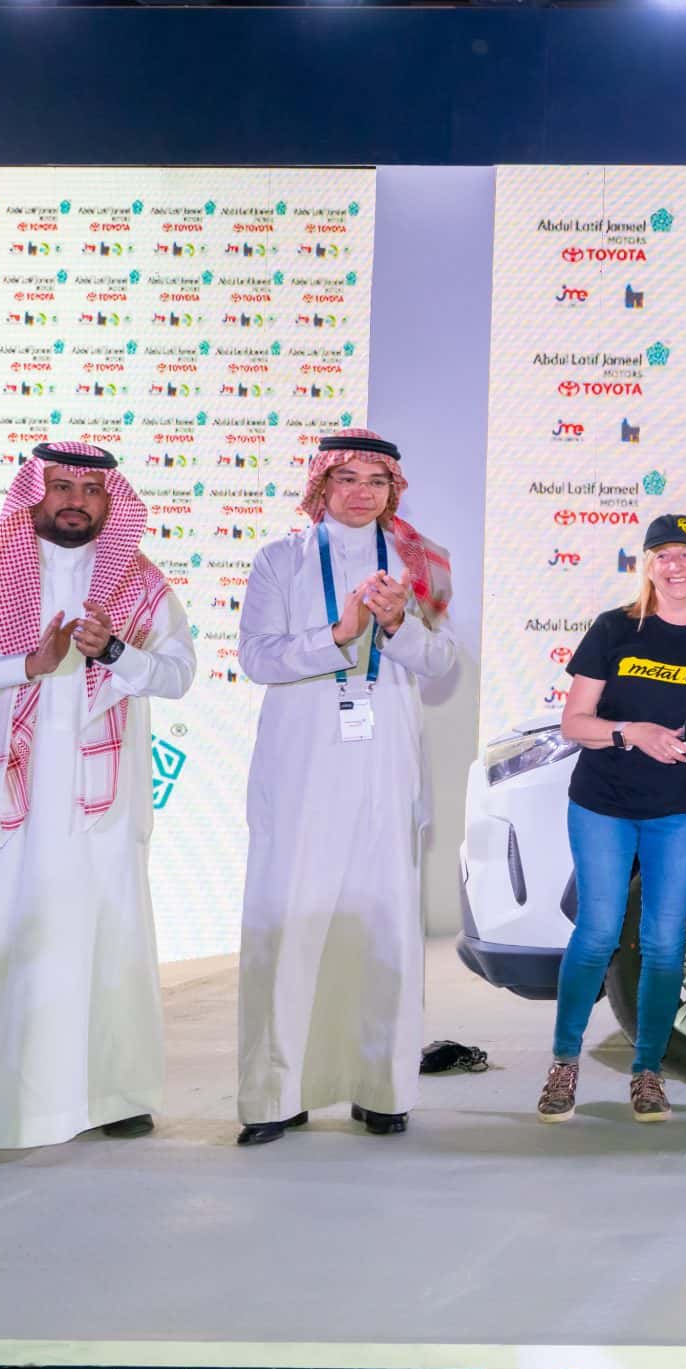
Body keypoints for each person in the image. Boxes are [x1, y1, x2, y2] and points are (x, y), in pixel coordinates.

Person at [0, 443, 195, 1164]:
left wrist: (116, 653)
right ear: (34, 494)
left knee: (105, 938)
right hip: (0, 813)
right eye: (61, 486)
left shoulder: (138, 584)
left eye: (90, 490)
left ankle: (110, 1096)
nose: (75, 501)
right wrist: (24, 665)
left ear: (109, 502)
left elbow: (177, 674)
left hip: (99, 816)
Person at [235, 429, 459, 1145]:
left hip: (384, 762)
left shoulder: (421, 563)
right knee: (290, 922)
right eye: (348, 478)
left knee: (384, 923)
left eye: (376, 480)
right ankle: (276, 1095)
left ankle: (382, 1089)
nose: (362, 493)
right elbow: (257, 659)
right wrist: (338, 634)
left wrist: (395, 626)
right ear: (321, 485)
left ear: (394, 489)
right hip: (301, 763)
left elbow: (441, 662)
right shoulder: (280, 559)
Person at [536, 514, 686, 1124]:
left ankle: (648, 1071)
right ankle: (564, 1062)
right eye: (663, 555)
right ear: (647, 565)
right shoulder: (615, 628)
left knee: (663, 942)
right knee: (598, 932)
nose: (675, 566)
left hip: (681, 809)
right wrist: (634, 731)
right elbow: (574, 723)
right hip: (604, 803)